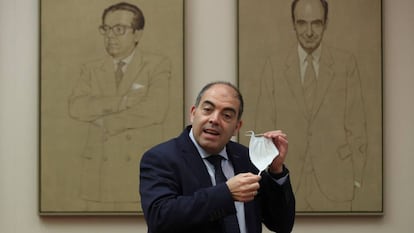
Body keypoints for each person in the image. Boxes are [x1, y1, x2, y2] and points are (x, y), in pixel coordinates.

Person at [255, 0, 367, 211]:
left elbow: (357, 126)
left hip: (337, 180)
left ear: (325, 23)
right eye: (302, 23)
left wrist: (357, 179)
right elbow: (264, 126)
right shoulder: (274, 66)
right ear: (293, 24)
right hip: (286, 179)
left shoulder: (346, 64)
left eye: (316, 23)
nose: (308, 32)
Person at [140, 81, 295, 233]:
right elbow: (160, 218)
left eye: (226, 115)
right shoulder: (161, 158)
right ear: (193, 114)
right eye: (207, 110)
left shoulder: (247, 158)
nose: (214, 120)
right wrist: (226, 194)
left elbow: (282, 224)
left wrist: (276, 170)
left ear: (237, 127)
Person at [68, 2, 171, 211]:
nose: (110, 36)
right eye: (106, 29)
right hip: (98, 168)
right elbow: (76, 107)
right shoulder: (91, 69)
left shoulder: (157, 65)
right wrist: (120, 102)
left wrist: (105, 121)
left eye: (119, 29)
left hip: (137, 165)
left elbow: (155, 110)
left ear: (137, 34)